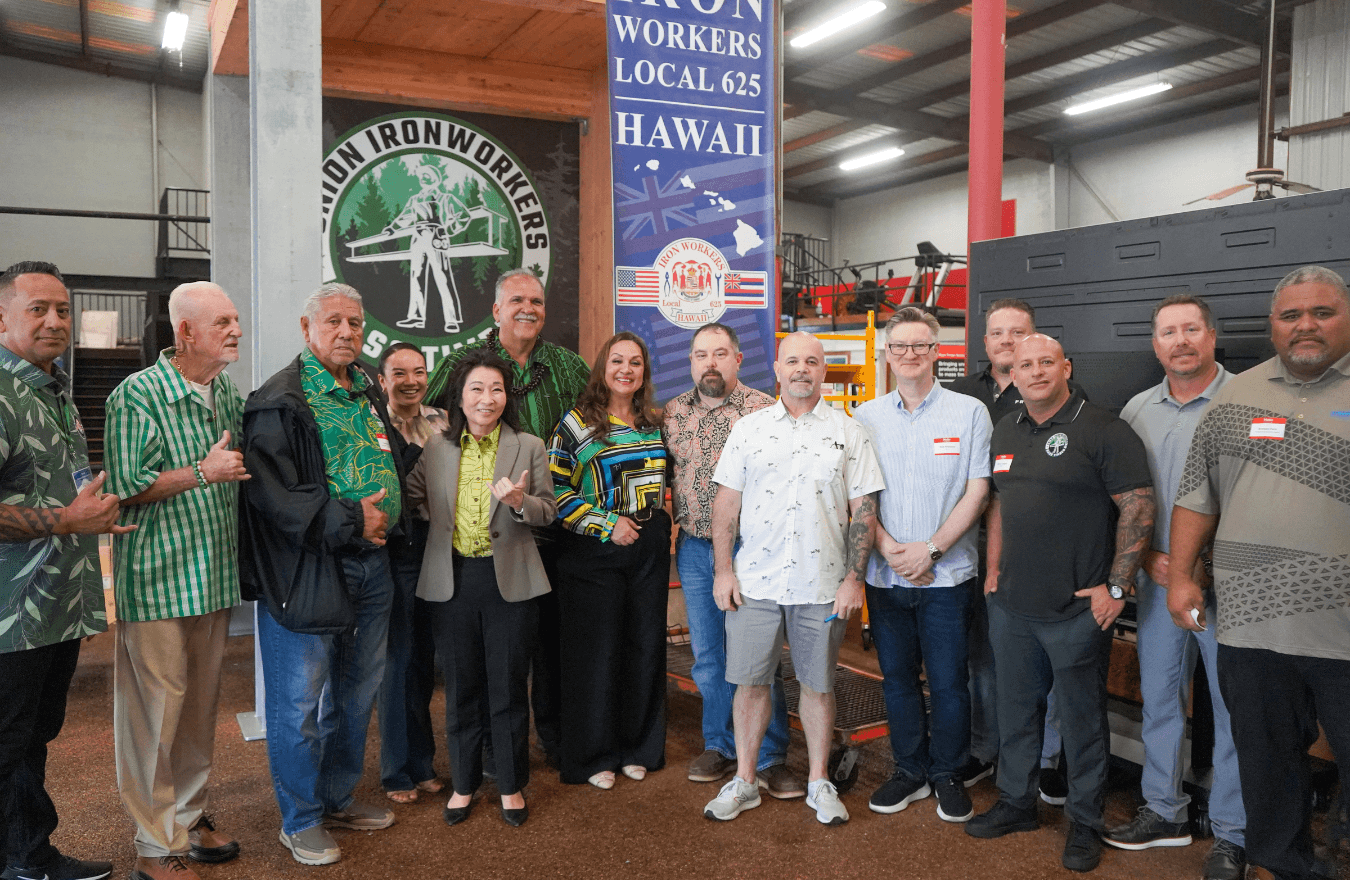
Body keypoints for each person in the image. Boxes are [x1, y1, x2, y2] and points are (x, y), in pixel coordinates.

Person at [1168, 265, 1350, 880]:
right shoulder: (1236, 395)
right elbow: (1198, 495)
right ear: (1272, 326)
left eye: (1322, 313)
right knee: (1269, 769)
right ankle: (1287, 867)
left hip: (1343, 631)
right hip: (1250, 629)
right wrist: (1181, 576)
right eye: (1290, 315)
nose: (1306, 326)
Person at [965, 333, 1155, 874]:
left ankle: (1086, 822)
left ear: (1065, 367)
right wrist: (995, 568)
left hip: (1077, 610)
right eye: (1025, 364)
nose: (1036, 371)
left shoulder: (1105, 429)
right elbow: (1000, 503)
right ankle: (1017, 803)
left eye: (1046, 362)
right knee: (1017, 715)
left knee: (1082, 723)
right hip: (1013, 606)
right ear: (1014, 373)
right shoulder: (1006, 427)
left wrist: (1117, 587)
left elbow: (1139, 507)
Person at [238, 283, 405, 866]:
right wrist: (356, 518)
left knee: (356, 694)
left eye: (355, 324)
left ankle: (336, 798)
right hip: (308, 572)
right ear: (306, 329)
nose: (346, 333)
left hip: (372, 567)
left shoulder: (365, 388)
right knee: (298, 705)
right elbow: (273, 499)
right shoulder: (279, 400)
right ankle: (300, 819)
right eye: (333, 322)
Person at [703, 331, 884, 826]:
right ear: (778, 370)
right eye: (793, 361)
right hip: (754, 582)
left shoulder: (850, 432)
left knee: (818, 686)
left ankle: (819, 781)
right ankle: (744, 780)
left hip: (822, 585)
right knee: (749, 683)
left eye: (812, 361)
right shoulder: (749, 429)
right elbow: (726, 505)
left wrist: (854, 579)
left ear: (823, 370)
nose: (802, 369)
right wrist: (723, 570)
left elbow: (863, 509)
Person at [104, 282, 250, 880]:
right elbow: (122, 485)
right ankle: (154, 844)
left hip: (211, 579)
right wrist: (202, 471)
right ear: (185, 332)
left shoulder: (225, 392)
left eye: (235, 319)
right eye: (222, 321)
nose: (235, 329)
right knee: (153, 717)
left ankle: (188, 818)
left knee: (197, 713)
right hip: (158, 581)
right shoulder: (134, 397)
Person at [1107, 294, 1246, 880]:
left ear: (1211, 337)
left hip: (1231, 588)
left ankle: (1233, 832)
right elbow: (1131, 500)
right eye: (1168, 331)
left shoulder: (1247, 400)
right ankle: (1164, 810)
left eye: (1192, 329)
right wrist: (1149, 562)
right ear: (1155, 344)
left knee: (1233, 707)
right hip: (1161, 585)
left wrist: (1203, 563)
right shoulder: (1138, 409)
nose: (1180, 340)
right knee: (1161, 698)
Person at [427, 268, 589, 766]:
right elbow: (430, 423)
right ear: (496, 311)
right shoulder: (461, 365)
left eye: (537, 301)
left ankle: (556, 742)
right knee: (489, 661)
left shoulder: (568, 366)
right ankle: (490, 757)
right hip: (486, 541)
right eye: (516, 300)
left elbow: (601, 422)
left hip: (557, 526)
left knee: (555, 647)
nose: (528, 309)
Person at [0, 261, 128, 880]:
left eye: (62, 310)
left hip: (57, 607)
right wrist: (65, 522)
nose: (55, 321)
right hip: (9, 616)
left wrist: (88, 518)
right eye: (37, 309)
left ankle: (27, 854)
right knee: (7, 741)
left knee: (31, 736)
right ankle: (22, 856)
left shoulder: (53, 389)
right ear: (3, 317)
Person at [406, 349, 556, 828]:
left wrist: (518, 503)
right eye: (477, 389)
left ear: (505, 396)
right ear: (460, 397)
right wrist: (438, 521)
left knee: (508, 686)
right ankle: (464, 784)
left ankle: (511, 785)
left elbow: (548, 510)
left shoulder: (528, 445)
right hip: (453, 580)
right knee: (460, 689)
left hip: (509, 580)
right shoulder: (437, 447)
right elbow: (413, 495)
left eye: (495, 389)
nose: (487, 398)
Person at [853, 308, 992, 823]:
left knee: (951, 681)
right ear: (887, 355)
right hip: (886, 573)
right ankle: (909, 770)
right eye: (899, 347)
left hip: (947, 576)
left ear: (937, 352)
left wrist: (930, 550)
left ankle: (948, 773)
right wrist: (888, 547)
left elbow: (978, 490)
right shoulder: (866, 417)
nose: (909, 354)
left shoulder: (969, 413)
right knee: (897, 679)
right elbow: (860, 494)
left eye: (920, 346)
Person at [947, 297, 1085, 799]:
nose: (1007, 341)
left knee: (1042, 662)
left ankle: (1045, 757)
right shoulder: (960, 394)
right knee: (983, 658)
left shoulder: (1060, 398)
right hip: (968, 548)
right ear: (984, 343)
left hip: (1034, 552)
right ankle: (988, 750)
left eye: (1018, 332)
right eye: (998, 333)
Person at [663, 323, 802, 798]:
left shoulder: (765, 409)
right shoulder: (674, 413)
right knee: (708, 658)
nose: (710, 363)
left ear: (738, 360)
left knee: (759, 657)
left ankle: (771, 756)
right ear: (691, 362)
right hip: (698, 550)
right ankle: (721, 745)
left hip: (753, 549)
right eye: (701, 354)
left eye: (720, 353)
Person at [548, 331, 670, 789]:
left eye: (635, 362)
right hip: (593, 549)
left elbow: (663, 477)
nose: (626, 369)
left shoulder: (652, 421)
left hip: (648, 542)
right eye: (617, 360)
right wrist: (604, 523)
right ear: (603, 368)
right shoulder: (577, 424)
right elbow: (556, 491)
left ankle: (638, 746)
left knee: (643, 646)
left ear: (644, 373)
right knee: (595, 654)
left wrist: (660, 518)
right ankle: (593, 755)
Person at [375, 343, 448, 804]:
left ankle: (423, 763)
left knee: (424, 663)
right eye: (398, 373)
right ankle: (395, 770)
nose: (410, 381)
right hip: (391, 552)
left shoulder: (442, 422)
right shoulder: (371, 425)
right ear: (382, 380)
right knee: (396, 663)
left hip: (436, 548)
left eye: (418, 371)